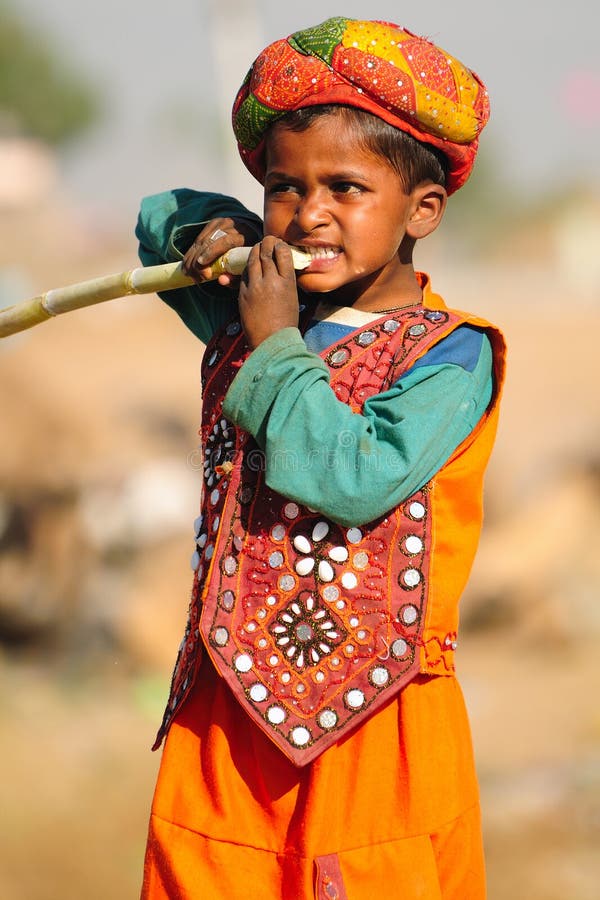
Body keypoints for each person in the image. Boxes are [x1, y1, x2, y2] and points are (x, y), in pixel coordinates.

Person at [136, 17, 506, 900]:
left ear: (422, 210)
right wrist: (216, 231)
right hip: (223, 726)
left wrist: (273, 348)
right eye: (282, 188)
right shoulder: (256, 302)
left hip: (380, 733)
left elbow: (352, 475)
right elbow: (155, 220)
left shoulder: (451, 356)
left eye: (346, 187)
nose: (310, 215)